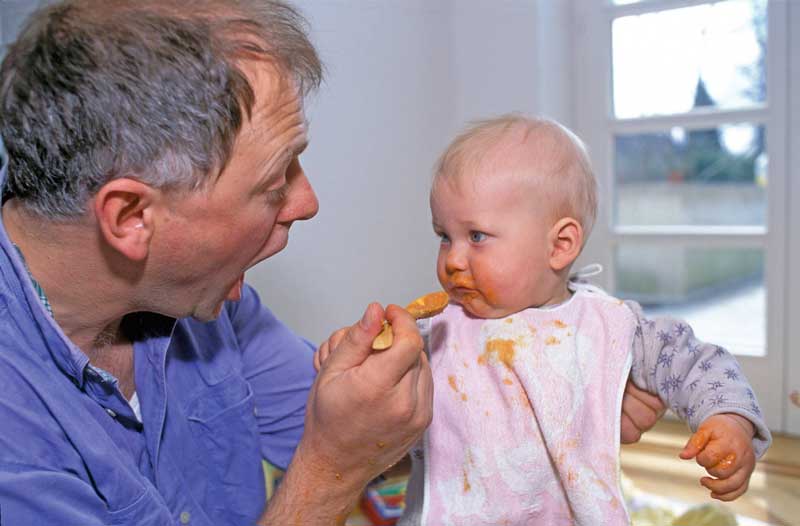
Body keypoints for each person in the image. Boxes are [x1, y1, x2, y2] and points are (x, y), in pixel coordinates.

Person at [0, 1, 435, 524]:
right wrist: (329, 473)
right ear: (131, 216)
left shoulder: (200, 298)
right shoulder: (14, 438)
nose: (306, 203)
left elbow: (371, 432)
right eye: (275, 184)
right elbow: (338, 451)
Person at [318, 115, 772, 525]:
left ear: (560, 245)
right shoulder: (432, 336)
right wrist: (357, 367)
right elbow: (383, 415)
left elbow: (697, 362)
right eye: (444, 236)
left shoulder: (606, 326)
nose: (453, 259)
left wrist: (729, 419)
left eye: (476, 236)